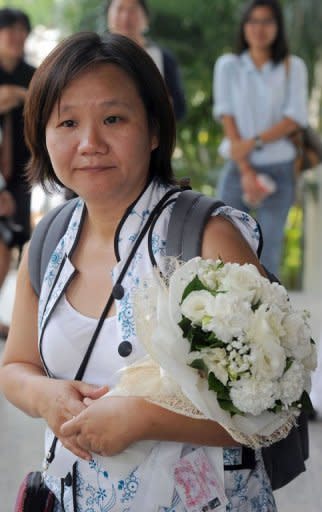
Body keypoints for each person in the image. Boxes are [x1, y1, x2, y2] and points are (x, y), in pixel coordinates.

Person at [0, 32, 277, 511]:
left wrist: (146, 419)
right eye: (67, 121)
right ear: (42, 136)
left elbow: (276, 404)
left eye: (113, 118)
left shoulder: (205, 238)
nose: (90, 143)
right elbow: (15, 367)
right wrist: (46, 397)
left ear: (153, 128)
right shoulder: (48, 243)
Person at [213, 0, 308, 276]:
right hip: (237, 169)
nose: (259, 28)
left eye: (267, 21)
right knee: (222, 243)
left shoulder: (293, 67)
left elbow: (293, 119)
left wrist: (252, 142)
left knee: (270, 248)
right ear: (244, 27)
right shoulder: (229, 66)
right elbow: (226, 116)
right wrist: (246, 171)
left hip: (280, 170)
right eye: (253, 21)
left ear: (278, 27)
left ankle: (267, 316)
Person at [0, 8, 35, 339]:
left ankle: (23, 325)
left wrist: (19, 96)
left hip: (22, 174)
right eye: (8, 29)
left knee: (19, 245)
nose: (15, 36)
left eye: (21, 30)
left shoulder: (33, 76)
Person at [106, 0, 186, 121]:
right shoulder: (94, 58)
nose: (125, 17)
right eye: (120, 9)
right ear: (108, 14)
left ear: (146, 19)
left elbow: (179, 109)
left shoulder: (163, 59)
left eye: (132, 10)